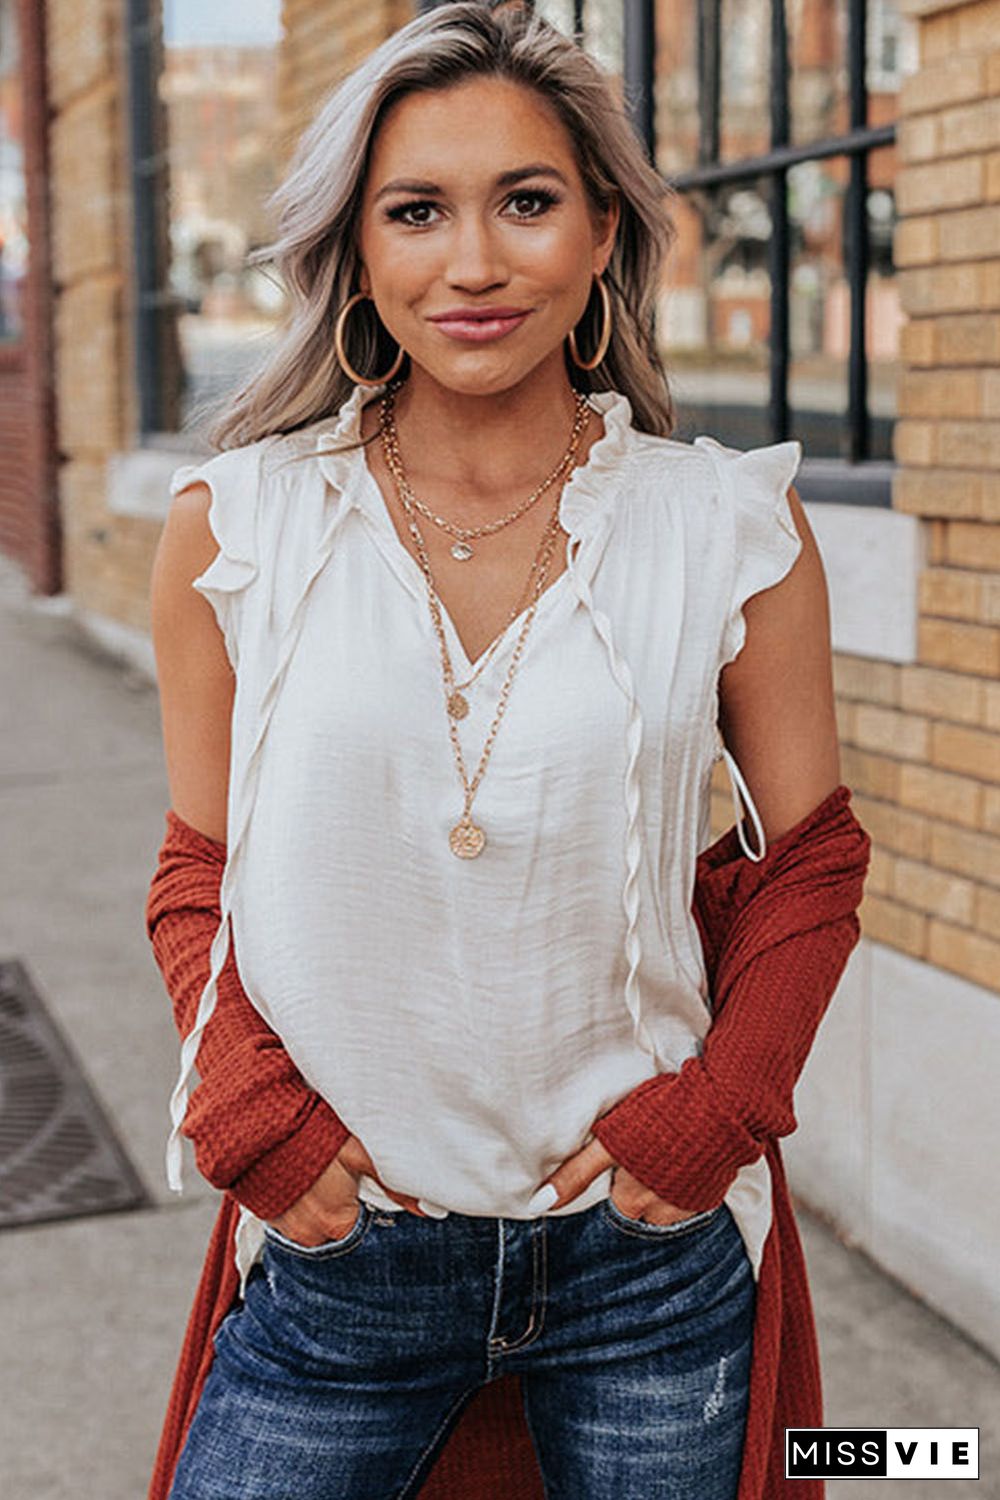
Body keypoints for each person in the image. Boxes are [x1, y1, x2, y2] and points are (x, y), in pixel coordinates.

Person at [147, 4, 865, 1497]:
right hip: (339, 1263)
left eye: (526, 203)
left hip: (645, 1273)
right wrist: (251, 1122)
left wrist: (712, 1121)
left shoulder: (728, 525)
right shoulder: (240, 529)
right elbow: (196, 873)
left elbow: (810, 865)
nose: (473, 263)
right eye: (417, 211)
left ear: (604, 233)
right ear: (358, 248)